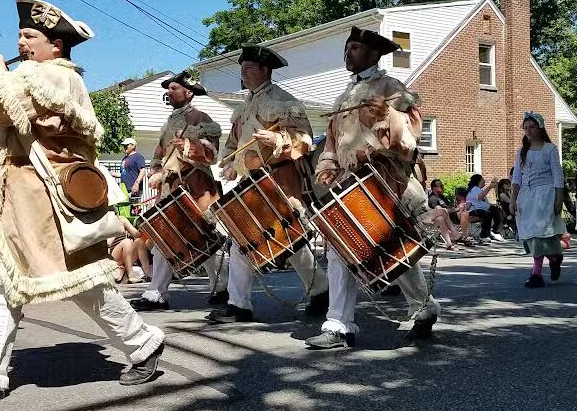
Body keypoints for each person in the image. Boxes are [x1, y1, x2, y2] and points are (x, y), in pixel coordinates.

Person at [0, 0, 165, 402]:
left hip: (48, 197)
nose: (20, 43)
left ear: (56, 45)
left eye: (29, 36)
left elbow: (8, 104)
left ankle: (142, 344)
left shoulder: (60, 77)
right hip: (17, 193)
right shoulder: (31, 75)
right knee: (1, 285)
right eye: (20, 35)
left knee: (81, 283)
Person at [305, 26, 440, 349]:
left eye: (354, 47)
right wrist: (327, 165)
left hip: (385, 183)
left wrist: (390, 114)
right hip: (349, 186)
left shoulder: (391, 88)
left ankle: (423, 308)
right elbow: (333, 142)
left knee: (393, 252)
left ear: (374, 54)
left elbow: (411, 135)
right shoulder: (343, 97)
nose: (347, 52)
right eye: (347, 47)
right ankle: (338, 326)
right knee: (340, 249)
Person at [207, 44, 329, 323]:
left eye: (248, 68)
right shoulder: (243, 108)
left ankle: (320, 288)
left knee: (289, 241)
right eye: (242, 69)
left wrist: (279, 141)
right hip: (251, 183)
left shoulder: (285, 102)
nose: (244, 74)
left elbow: (305, 140)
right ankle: (239, 305)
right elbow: (233, 143)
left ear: (265, 70)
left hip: (280, 181)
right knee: (244, 239)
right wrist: (229, 163)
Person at [130, 70, 229, 310]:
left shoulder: (203, 120)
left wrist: (189, 147)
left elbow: (212, 156)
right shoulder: (169, 123)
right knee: (167, 237)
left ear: (189, 92)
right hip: (171, 188)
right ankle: (157, 293)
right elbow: (159, 154)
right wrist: (155, 171)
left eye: (174, 88)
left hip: (196, 187)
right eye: (168, 89)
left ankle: (224, 284)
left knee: (204, 239)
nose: (169, 92)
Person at [510, 112, 566, 288]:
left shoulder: (549, 149)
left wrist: (558, 199)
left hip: (545, 195)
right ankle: (554, 257)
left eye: (532, 127)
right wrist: (513, 199)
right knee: (532, 234)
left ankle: (537, 273)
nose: (528, 131)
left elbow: (558, 176)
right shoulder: (521, 151)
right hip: (527, 196)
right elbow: (517, 178)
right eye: (526, 128)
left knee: (542, 232)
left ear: (540, 128)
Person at [427, 179, 475, 247]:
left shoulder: (441, 197)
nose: (442, 187)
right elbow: (441, 211)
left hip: (452, 215)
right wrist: (457, 209)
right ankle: (465, 236)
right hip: (447, 217)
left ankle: (464, 236)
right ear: (434, 188)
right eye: (440, 186)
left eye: (442, 185)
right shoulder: (433, 198)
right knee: (465, 213)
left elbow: (449, 207)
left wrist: (458, 206)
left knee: (467, 211)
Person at [466, 174, 505, 242]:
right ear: (478, 181)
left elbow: (483, 201)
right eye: (483, 180)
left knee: (498, 210)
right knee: (487, 214)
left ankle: (495, 231)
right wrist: (490, 187)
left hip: (482, 209)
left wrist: (492, 205)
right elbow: (480, 197)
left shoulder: (479, 189)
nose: (484, 181)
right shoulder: (475, 189)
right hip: (474, 210)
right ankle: (483, 235)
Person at [118, 137, 146, 202]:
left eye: (126, 145)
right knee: (124, 210)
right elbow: (122, 174)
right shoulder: (124, 159)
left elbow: (142, 170)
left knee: (134, 210)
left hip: (133, 189)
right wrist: (109, 173)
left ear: (133, 146)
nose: (124, 147)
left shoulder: (138, 157)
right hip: (124, 189)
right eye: (124, 145)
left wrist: (137, 183)